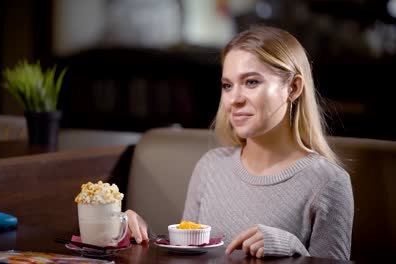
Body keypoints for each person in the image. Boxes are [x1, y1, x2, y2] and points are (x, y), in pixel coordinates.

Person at [126, 25, 354, 260]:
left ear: (293, 88)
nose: (234, 99)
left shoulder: (328, 182)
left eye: (252, 82)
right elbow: (187, 256)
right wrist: (139, 239)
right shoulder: (210, 166)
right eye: (228, 85)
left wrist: (293, 249)